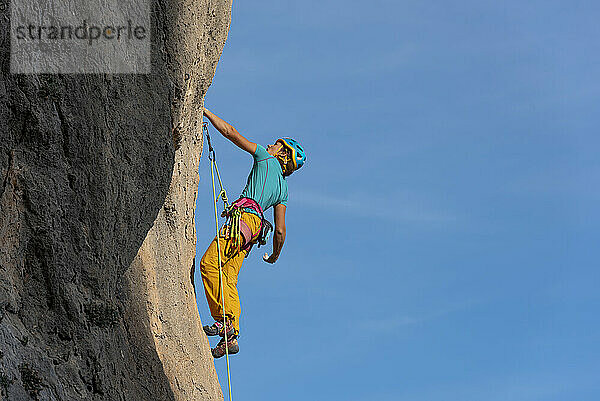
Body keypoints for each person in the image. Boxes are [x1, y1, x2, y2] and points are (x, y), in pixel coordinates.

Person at [200, 108, 306, 358]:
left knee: (208, 264)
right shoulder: (283, 190)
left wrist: (205, 112)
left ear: (281, 153)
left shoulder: (264, 158)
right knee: (228, 278)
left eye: (276, 144)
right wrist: (275, 255)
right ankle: (232, 333)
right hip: (254, 230)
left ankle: (223, 320)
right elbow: (280, 230)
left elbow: (231, 132)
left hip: (242, 220)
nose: (270, 144)